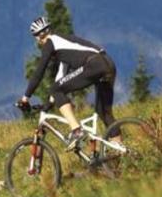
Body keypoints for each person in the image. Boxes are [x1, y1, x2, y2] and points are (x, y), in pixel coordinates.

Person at [16, 15, 119, 150]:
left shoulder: (51, 42)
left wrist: (25, 98)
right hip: (108, 64)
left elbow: (39, 72)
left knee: (55, 89)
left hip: (94, 65)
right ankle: (120, 149)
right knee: (104, 112)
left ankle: (77, 130)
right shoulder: (62, 43)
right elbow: (61, 78)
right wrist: (47, 106)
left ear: (37, 37)